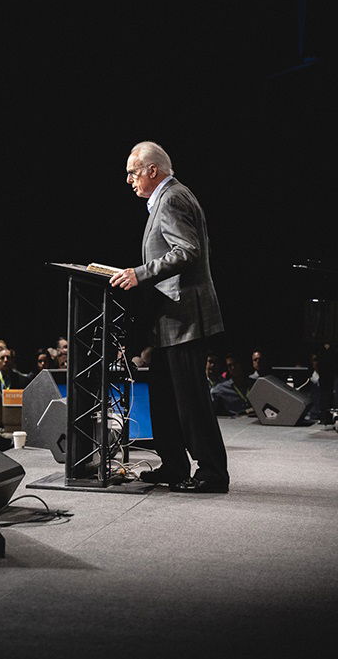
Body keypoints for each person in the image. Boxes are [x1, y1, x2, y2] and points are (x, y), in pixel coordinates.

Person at [110, 140, 229, 493]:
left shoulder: (173, 198)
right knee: (164, 396)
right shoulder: (165, 198)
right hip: (168, 320)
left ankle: (212, 473)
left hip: (184, 319)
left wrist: (140, 273)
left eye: (133, 172)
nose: (129, 179)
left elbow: (188, 251)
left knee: (191, 400)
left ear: (152, 170)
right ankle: (174, 465)